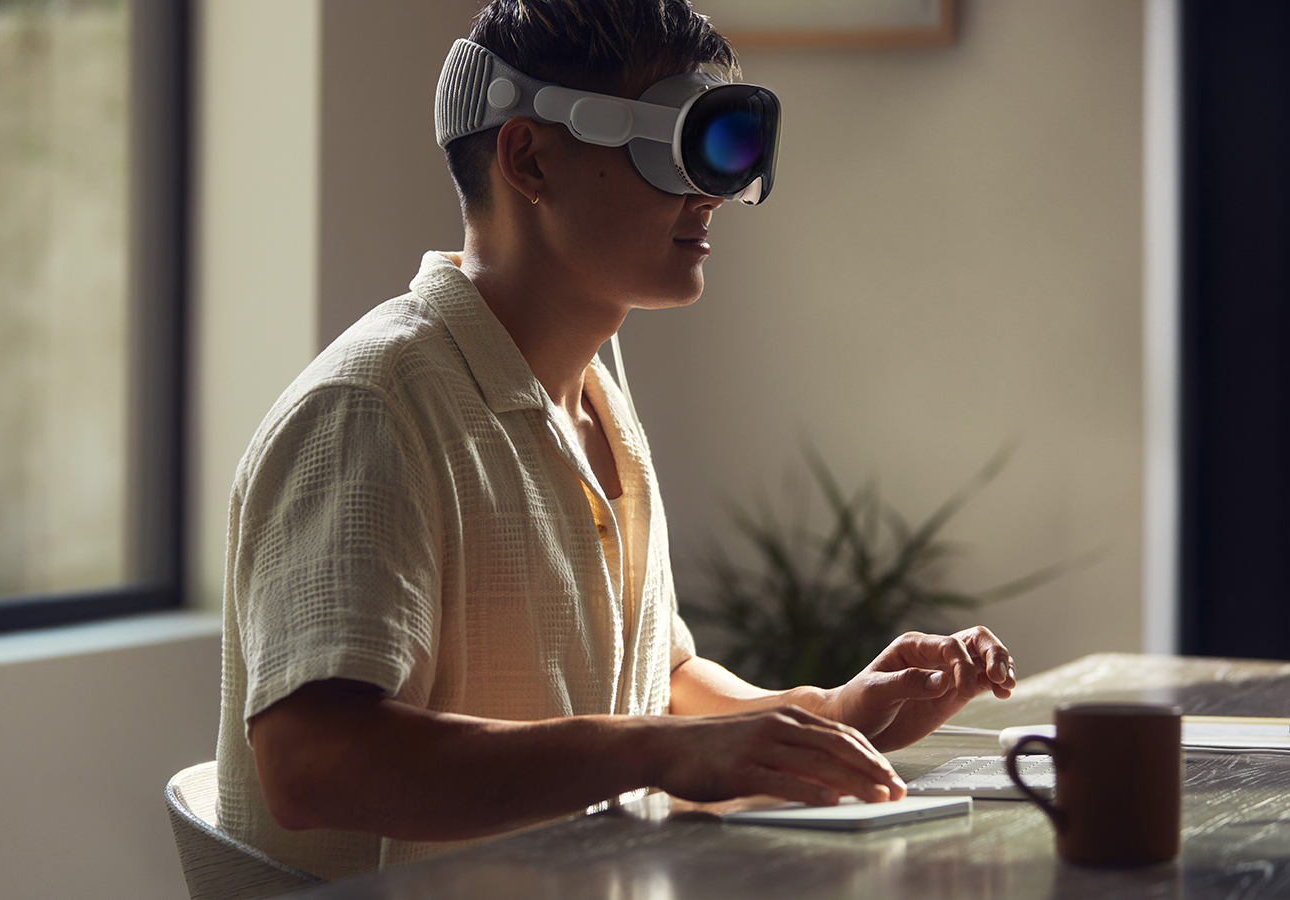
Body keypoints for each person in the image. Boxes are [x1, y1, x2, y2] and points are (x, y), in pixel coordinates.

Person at [215, 0, 1017, 881]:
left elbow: (656, 682)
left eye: (726, 151)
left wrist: (827, 715)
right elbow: (315, 764)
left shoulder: (596, 399)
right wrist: (652, 752)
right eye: (676, 147)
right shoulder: (373, 411)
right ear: (529, 158)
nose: (713, 194)